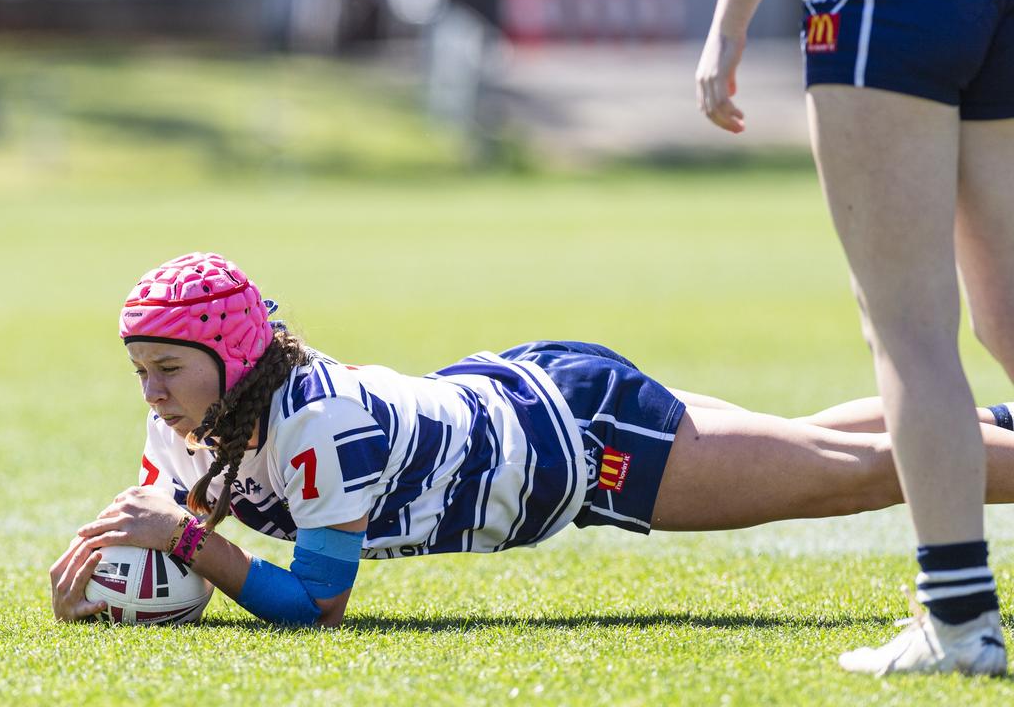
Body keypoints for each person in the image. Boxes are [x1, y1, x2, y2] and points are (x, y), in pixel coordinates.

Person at [50, 252, 1014, 639]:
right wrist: (94, 578)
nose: (151, 391)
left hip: (583, 446)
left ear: (232, 355)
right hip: (533, 392)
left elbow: (317, 603)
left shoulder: (312, 422)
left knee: (850, 479)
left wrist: (186, 547)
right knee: (812, 445)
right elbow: (161, 518)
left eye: (168, 367)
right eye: (140, 369)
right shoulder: (190, 420)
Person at [696, 0, 1014, 676]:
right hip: (997, 5)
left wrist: (729, 24)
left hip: (883, 8)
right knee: (1006, 316)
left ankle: (959, 623)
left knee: (908, 322)